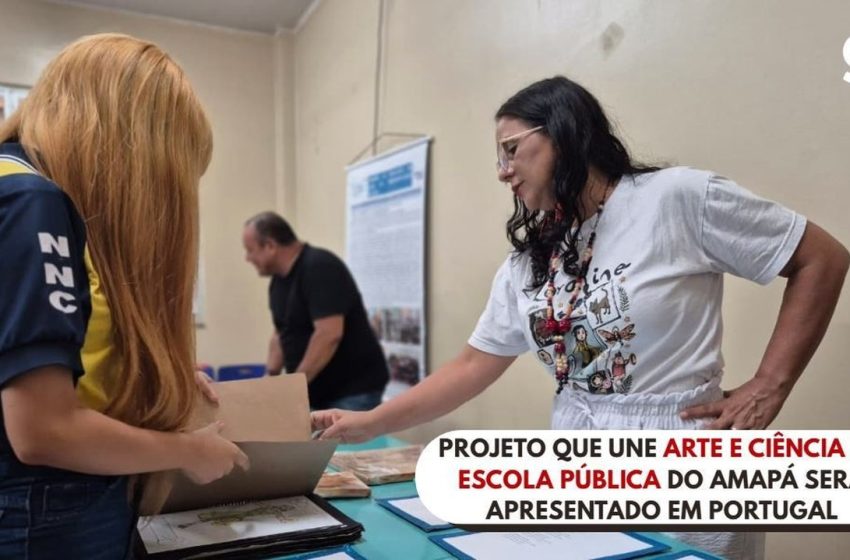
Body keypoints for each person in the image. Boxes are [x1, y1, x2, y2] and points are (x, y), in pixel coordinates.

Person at [311, 76, 849, 559]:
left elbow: (821, 259)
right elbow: (473, 365)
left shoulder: (675, 199)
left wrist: (769, 385)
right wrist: (369, 422)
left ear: (564, 133)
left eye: (512, 149)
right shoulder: (531, 259)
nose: (503, 172)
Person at [0, 34, 249, 559]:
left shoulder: (16, 183)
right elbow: (42, 429)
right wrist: (188, 451)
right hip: (43, 510)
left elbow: (45, 359)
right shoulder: (32, 200)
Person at [243, 211, 389, 410]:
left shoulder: (319, 267)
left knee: (336, 431)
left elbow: (328, 334)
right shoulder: (279, 280)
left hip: (352, 391)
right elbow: (281, 331)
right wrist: (271, 375)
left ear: (270, 246)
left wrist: (295, 385)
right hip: (315, 391)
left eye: (250, 250)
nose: (247, 258)